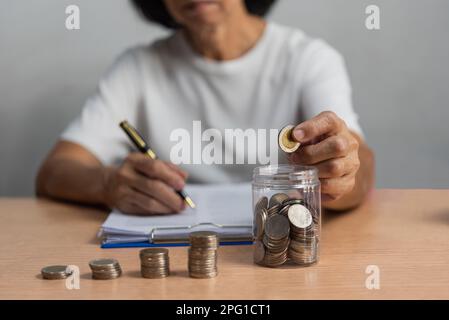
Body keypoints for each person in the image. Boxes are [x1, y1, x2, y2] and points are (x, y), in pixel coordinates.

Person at [36, 0, 374, 215]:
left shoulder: (309, 59)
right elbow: (54, 172)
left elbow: (360, 168)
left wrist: (341, 175)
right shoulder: (137, 68)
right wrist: (106, 183)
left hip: (282, 255)